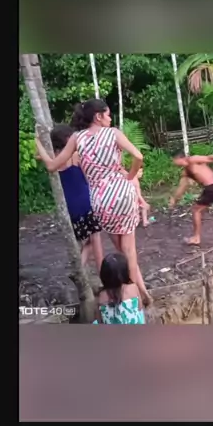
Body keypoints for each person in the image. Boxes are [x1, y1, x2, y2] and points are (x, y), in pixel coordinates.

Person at [35, 98, 150, 306]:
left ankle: (138, 292)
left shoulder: (77, 138)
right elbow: (138, 156)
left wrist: (38, 143)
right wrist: (130, 177)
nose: (110, 118)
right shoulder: (113, 133)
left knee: (121, 250)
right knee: (129, 251)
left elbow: (51, 165)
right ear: (98, 116)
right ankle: (136, 298)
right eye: (108, 114)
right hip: (122, 193)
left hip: (100, 200)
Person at [36, 124, 104, 272]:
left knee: (87, 241)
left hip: (70, 207)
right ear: (68, 139)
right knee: (95, 240)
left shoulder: (54, 159)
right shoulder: (75, 156)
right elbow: (88, 178)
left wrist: (38, 142)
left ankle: (79, 268)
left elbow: (41, 157)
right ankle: (99, 273)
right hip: (86, 202)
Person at [94, 251, 145, 324]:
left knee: (95, 322)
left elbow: (100, 321)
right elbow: (140, 308)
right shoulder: (133, 288)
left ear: (103, 275)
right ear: (125, 272)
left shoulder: (101, 296)